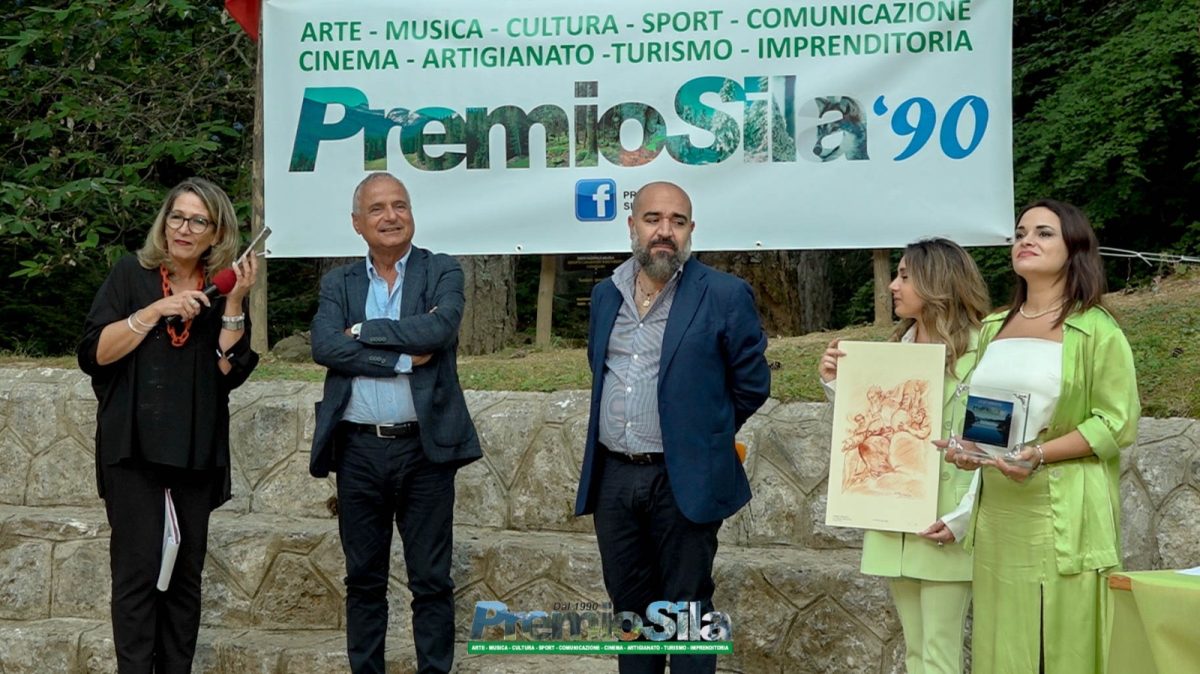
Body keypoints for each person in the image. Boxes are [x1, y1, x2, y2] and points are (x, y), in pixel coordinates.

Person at [574, 181, 771, 674]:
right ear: (632, 225)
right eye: (653, 219)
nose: (665, 231)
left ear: (690, 230)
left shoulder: (723, 295)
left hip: (685, 477)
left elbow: (752, 385)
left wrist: (700, 434)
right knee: (631, 613)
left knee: (688, 611)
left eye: (677, 222)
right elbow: (601, 370)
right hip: (615, 479)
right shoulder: (605, 295)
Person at [943, 200, 1140, 673]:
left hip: (1063, 514)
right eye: (1020, 232)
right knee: (1003, 645)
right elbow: (989, 415)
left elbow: (1116, 422)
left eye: (1043, 233)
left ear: (1075, 249)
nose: (1026, 240)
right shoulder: (993, 327)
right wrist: (969, 449)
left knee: (1065, 647)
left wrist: (1039, 453)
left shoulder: (1096, 330)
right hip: (999, 516)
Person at [77, 177, 259, 672]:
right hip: (133, 449)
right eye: (177, 216)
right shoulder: (130, 275)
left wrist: (236, 304)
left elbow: (229, 372)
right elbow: (94, 354)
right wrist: (155, 311)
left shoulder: (222, 288)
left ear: (217, 233)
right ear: (164, 221)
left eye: (199, 221)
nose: (184, 228)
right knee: (136, 577)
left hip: (194, 450)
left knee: (183, 582)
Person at [309, 172, 481, 674]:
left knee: (431, 580)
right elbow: (325, 345)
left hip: (424, 451)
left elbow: (439, 328)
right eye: (378, 208)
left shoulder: (441, 269)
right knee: (364, 580)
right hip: (358, 450)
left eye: (400, 205)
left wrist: (362, 330)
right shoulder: (339, 282)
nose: (391, 216)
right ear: (357, 223)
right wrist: (401, 359)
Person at [818, 238, 989, 674]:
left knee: (939, 654)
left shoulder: (985, 354)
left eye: (906, 276)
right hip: (896, 521)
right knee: (916, 652)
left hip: (947, 524)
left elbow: (993, 446)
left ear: (938, 283)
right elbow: (869, 428)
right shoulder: (894, 352)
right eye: (896, 275)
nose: (893, 286)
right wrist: (838, 383)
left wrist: (963, 518)